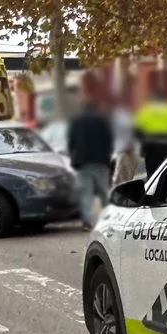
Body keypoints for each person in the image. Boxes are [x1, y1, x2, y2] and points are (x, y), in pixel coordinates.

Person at [67, 77, 115, 227]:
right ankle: (110, 218)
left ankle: (87, 220)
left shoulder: (76, 120)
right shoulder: (102, 119)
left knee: (85, 192)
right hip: (101, 160)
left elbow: (72, 141)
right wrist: (108, 154)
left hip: (83, 161)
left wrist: (73, 154)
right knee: (104, 191)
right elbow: (109, 139)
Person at [132, 87, 167, 177]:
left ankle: (153, 189)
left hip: (151, 147)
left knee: (152, 173)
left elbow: (137, 131)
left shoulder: (145, 110)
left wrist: (143, 142)